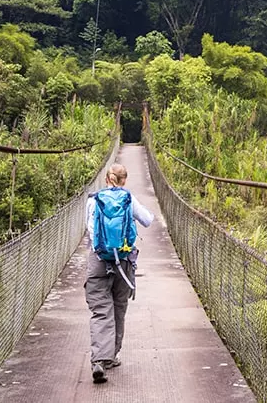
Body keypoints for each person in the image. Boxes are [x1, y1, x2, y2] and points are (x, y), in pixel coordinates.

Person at [85, 164, 153, 384]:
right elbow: (148, 220)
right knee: (118, 307)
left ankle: (99, 360)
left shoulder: (93, 200)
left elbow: (90, 230)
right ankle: (111, 356)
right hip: (123, 262)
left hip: (98, 261)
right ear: (124, 180)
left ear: (106, 178)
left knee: (100, 311)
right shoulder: (128, 199)